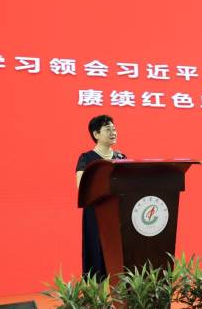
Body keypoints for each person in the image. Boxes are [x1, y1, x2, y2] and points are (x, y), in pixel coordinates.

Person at [75, 114, 126, 280]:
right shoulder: (87, 158)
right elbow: (82, 186)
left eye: (114, 129)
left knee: (119, 256)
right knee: (96, 254)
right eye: (108, 129)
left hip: (118, 213)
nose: (113, 132)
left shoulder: (121, 158)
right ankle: (97, 292)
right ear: (96, 134)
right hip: (96, 213)